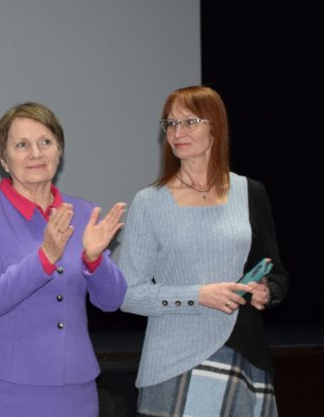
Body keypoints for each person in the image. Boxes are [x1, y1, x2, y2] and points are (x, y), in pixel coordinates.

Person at [118, 85, 288, 416]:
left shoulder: (250, 192)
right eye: (170, 123)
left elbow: (276, 271)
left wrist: (266, 291)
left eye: (190, 122)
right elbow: (128, 294)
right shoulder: (149, 202)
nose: (177, 132)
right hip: (175, 364)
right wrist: (198, 296)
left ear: (216, 127)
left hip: (245, 355)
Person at [0, 102, 128, 417]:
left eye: (45, 142)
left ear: (59, 151)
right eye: (21, 145)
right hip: (1, 387)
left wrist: (95, 260)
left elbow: (112, 301)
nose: (35, 153)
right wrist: (45, 257)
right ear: (4, 160)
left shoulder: (83, 212)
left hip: (74, 388)